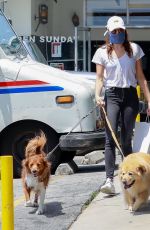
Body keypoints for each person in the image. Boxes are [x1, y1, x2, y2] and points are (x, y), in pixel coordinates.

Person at [92, 16, 150, 195]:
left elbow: (140, 77)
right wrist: (97, 95)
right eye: (114, 31)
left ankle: (129, 177)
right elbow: (100, 79)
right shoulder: (102, 52)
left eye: (120, 31)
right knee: (110, 137)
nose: (117, 34)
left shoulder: (134, 49)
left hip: (130, 95)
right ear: (108, 32)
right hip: (112, 95)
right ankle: (109, 179)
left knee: (125, 138)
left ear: (125, 31)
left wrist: (149, 100)